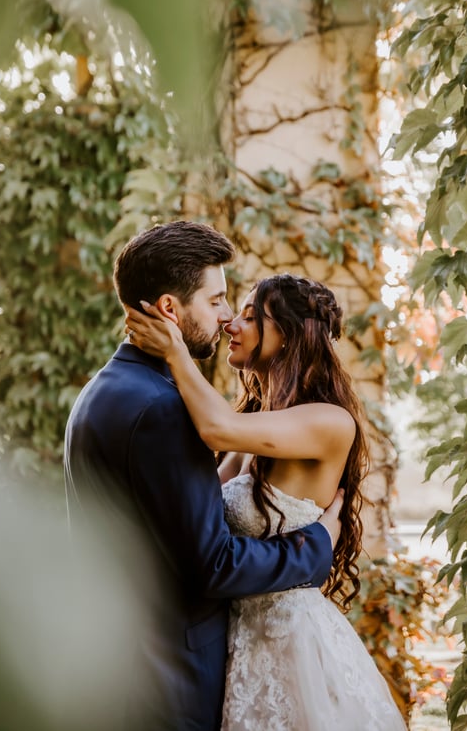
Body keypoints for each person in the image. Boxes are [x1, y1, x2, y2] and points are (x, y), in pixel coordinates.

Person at [64, 223, 343, 731]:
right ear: (171, 309)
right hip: (169, 683)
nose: (226, 318)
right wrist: (317, 544)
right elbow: (212, 563)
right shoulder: (163, 410)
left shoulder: (103, 391)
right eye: (217, 301)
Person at [125, 272, 407, 731]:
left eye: (252, 317)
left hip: (292, 647)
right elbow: (203, 513)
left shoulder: (330, 422)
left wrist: (175, 351)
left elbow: (213, 428)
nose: (231, 325)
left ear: (291, 335)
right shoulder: (254, 426)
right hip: (236, 642)